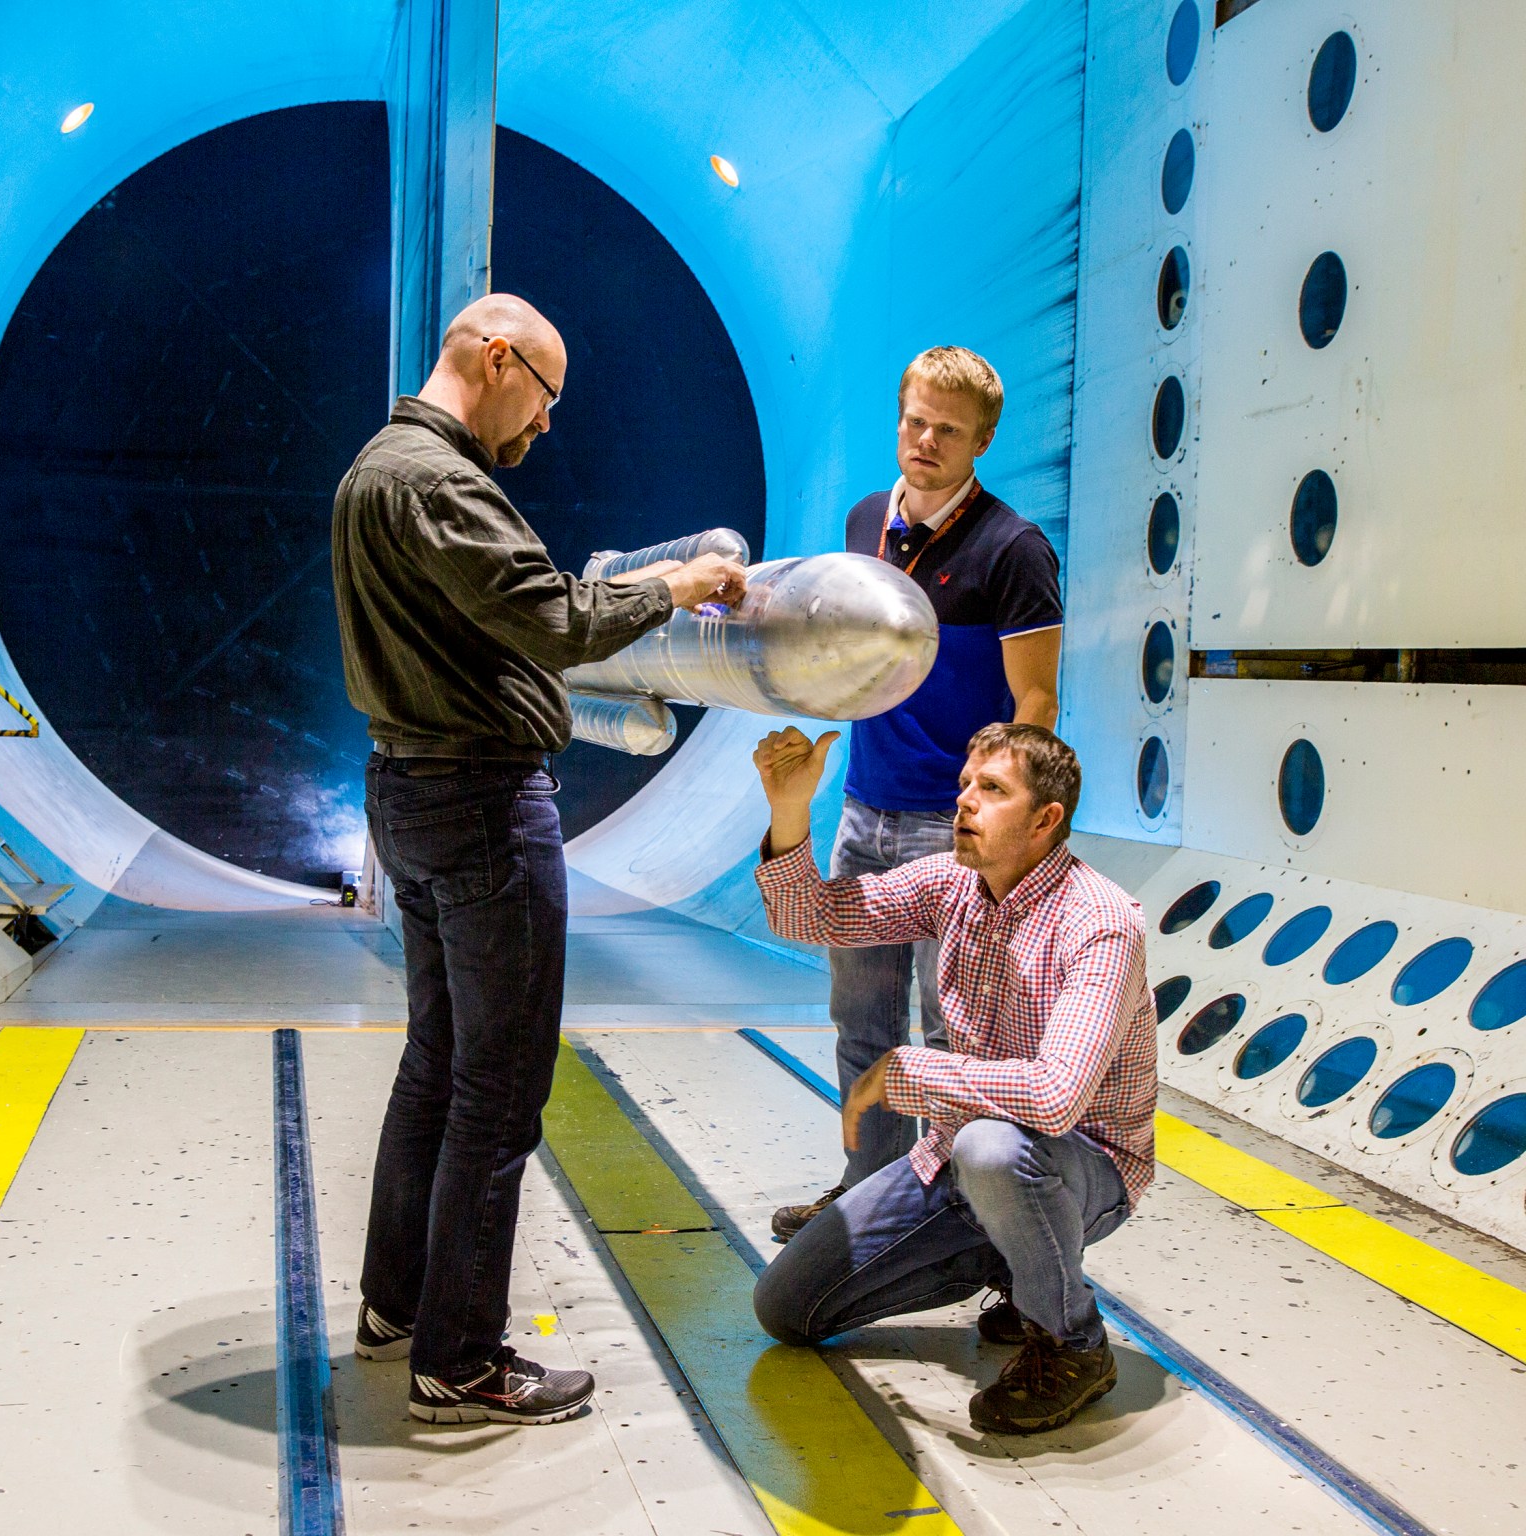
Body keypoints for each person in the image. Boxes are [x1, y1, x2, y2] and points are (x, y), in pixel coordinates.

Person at [330, 292, 746, 1425]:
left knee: (437, 1060)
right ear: (498, 356)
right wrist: (681, 584)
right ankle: (459, 1360)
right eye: (545, 398)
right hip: (477, 806)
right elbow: (556, 619)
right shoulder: (437, 480)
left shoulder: (375, 471)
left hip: (409, 789)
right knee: (498, 1093)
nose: (546, 426)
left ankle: (394, 1305)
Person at [747, 721, 1157, 1434]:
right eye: (965, 785)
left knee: (992, 1148)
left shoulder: (1100, 923)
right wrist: (788, 811)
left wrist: (910, 1070)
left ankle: (1072, 1342)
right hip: (957, 1161)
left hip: (1083, 1168)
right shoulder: (951, 883)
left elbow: (1057, 1097)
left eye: (992, 790)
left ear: (1045, 819)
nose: (964, 801)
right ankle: (1006, 1260)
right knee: (788, 1310)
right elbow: (808, 915)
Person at [774, 346, 1065, 1240]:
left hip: (956, 832)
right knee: (860, 1022)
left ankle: (950, 1218)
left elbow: (1037, 702)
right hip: (866, 811)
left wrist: (1017, 840)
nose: (926, 440)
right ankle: (868, 1199)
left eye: (948, 428)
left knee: (954, 1039)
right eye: (915, 420)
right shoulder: (867, 520)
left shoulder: (1012, 549)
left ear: (983, 441)